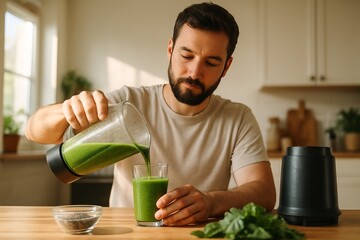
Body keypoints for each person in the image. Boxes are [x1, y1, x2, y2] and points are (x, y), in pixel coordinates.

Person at [26, 2, 276, 226]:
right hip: (128, 232)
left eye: (211, 63)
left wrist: (210, 202)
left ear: (226, 66)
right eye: (186, 55)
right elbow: (34, 131)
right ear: (170, 49)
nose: (194, 72)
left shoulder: (238, 118)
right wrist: (65, 110)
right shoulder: (127, 103)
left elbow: (264, 193)